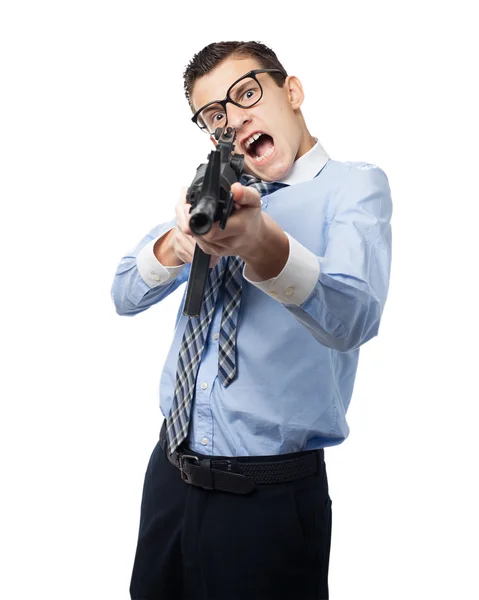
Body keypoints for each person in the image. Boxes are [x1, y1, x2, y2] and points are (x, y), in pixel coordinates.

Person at [111, 40, 392, 600]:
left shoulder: (353, 187)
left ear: (291, 91)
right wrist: (181, 241)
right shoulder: (213, 195)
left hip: (268, 498)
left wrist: (264, 246)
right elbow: (124, 292)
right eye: (214, 115)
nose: (233, 120)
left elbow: (353, 318)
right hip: (170, 477)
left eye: (246, 94)